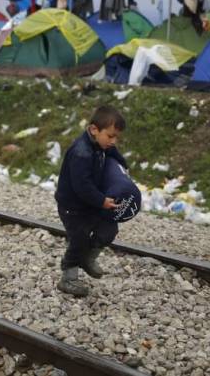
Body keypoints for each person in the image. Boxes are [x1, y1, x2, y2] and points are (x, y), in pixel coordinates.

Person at [54, 105, 127, 297]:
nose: (113, 141)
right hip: (73, 207)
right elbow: (82, 186)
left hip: (90, 203)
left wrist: (123, 166)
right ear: (94, 130)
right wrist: (102, 201)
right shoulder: (82, 152)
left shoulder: (101, 144)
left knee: (109, 228)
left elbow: (113, 153)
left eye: (116, 137)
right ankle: (68, 278)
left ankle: (87, 259)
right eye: (110, 136)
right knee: (79, 239)